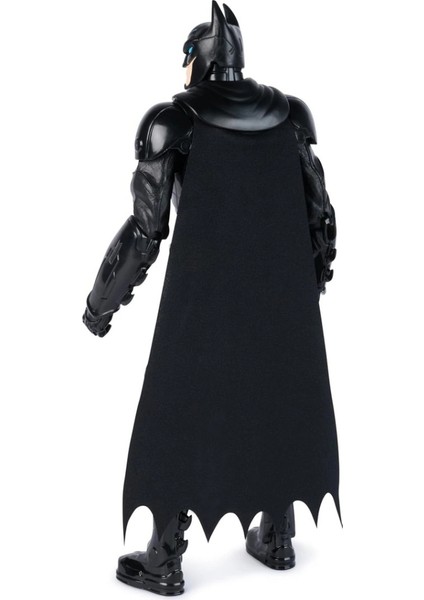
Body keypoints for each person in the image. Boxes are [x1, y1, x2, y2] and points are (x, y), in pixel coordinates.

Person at [83, 1, 340, 595]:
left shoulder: (172, 122)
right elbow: (321, 215)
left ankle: (164, 557)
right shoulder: (291, 116)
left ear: (196, 60)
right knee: (279, 391)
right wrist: (312, 287)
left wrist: (100, 304)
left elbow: (145, 232)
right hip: (284, 298)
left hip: (204, 299)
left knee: (179, 408)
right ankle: (276, 536)